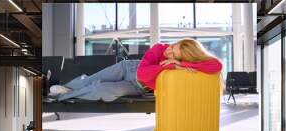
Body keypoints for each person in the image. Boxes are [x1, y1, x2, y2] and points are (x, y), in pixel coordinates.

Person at [51, 38, 223, 102]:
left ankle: (64, 95)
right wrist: (171, 65)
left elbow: (217, 65)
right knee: (90, 80)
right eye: (172, 46)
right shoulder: (158, 48)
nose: (168, 51)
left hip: (137, 87)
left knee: (101, 89)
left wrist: (181, 65)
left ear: (183, 58)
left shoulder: (181, 64)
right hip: (129, 68)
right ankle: (67, 87)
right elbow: (142, 72)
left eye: (174, 53)